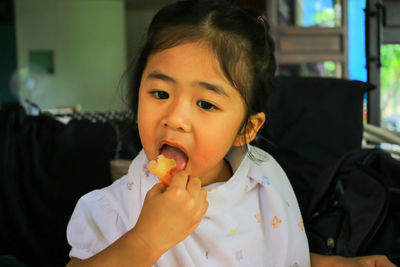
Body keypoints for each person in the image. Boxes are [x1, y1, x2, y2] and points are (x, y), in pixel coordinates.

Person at [66, 0, 396, 266]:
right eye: (160, 94)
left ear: (246, 129)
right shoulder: (113, 209)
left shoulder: (263, 182)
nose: (175, 118)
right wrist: (145, 241)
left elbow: (269, 256)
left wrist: (333, 264)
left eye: (206, 104)